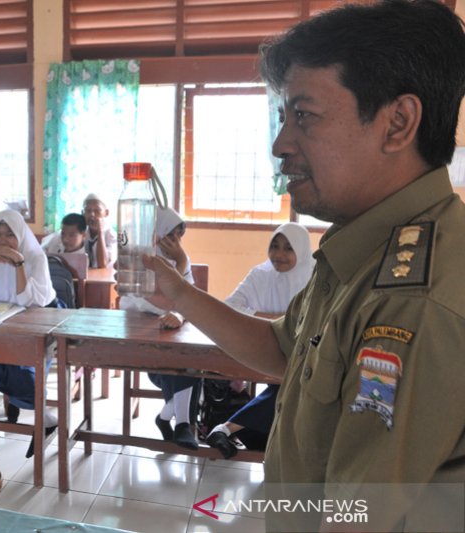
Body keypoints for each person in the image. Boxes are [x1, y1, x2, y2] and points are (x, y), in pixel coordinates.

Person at [142, 1, 465, 529]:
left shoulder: (413, 300)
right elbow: (283, 351)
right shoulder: (360, 247)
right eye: (281, 116)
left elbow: (356, 515)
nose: (280, 144)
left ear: (398, 123)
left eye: (304, 115)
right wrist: (178, 292)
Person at [206, 222, 314, 459]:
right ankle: (231, 429)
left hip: (303, 351)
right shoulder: (261, 274)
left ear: (302, 250)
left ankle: (226, 428)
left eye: (288, 248)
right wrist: (275, 320)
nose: (279, 255)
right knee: (291, 385)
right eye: (274, 246)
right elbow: (231, 305)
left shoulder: (315, 275)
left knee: (293, 383)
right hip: (263, 347)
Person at [0, 209, 57, 457]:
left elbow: (29, 301)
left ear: (20, 234)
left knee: (24, 375)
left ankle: (44, 420)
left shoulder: (35, 258)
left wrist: (18, 264)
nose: (3, 241)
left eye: (10, 235)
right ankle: (43, 417)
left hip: (31, 325)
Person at [120, 207, 200, 450]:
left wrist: (177, 313)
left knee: (191, 360)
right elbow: (143, 300)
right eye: (169, 234)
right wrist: (175, 308)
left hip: (171, 339)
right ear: (156, 232)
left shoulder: (178, 259)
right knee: (178, 363)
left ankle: (180, 422)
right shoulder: (137, 257)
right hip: (140, 340)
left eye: (178, 236)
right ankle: (175, 421)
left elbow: (191, 301)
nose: (174, 242)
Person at [82, 193, 117, 268]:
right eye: (88, 210)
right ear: (83, 213)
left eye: (97, 210)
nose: (92, 214)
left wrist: (100, 232)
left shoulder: (112, 236)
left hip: (104, 278)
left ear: (106, 213)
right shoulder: (80, 232)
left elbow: (102, 264)